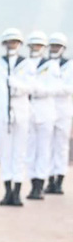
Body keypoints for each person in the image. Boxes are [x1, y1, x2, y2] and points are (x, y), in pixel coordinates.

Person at [0, 28, 34, 206]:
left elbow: (30, 86)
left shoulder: (27, 63)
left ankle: (17, 191)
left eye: (15, 41)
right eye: (9, 41)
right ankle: (7, 190)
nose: (12, 44)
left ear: (20, 44)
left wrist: (15, 86)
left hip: (21, 110)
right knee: (6, 152)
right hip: (3, 110)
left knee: (19, 152)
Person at [26, 30, 59, 200]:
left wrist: (36, 88)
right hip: (29, 108)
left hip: (45, 108)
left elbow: (53, 87)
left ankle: (40, 184)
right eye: (33, 45)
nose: (36, 47)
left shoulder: (51, 65)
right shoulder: (25, 64)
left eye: (39, 45)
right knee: (30, 149)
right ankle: (33, 183)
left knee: (44, 149)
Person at [48, 32, 72, 195]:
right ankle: (49, 179)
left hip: (63, 109)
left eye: (58, 46)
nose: (55, 48)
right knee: (47, 146)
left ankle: (59, 180)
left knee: (61, 145)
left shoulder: (69, 65)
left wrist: (51, 88)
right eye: (53, 46)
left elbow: (69, 88)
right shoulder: (45, 64)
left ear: (63, 48)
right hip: (48, 108)